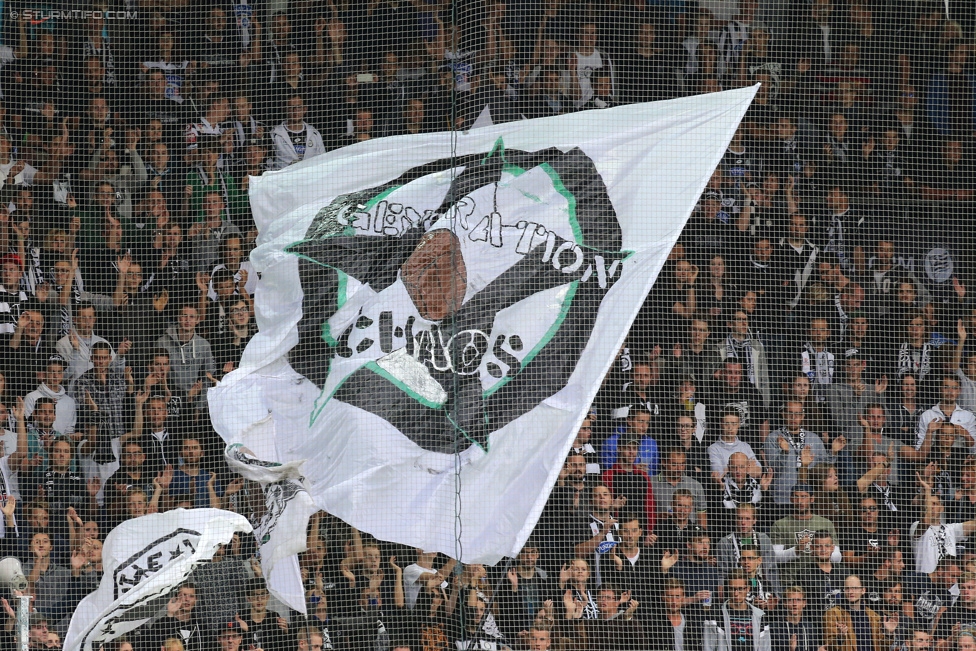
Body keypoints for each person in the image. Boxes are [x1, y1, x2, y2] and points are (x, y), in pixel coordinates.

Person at [702, 570, 772, 651]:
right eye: (732, 589)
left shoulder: (759, 615)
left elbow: (765, 647)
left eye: (740, 589)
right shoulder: (715, 614)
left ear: (748, 589)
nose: (736, 593)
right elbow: (707, 647)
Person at [824, 575, 885, 651]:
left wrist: (889, 633)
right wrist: (840, 637)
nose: (850, 592)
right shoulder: (833, 614)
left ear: (863, 590)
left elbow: (882, 646)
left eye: (855, 588)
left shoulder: (874, 616)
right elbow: (829, 647)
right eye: (847, 588)